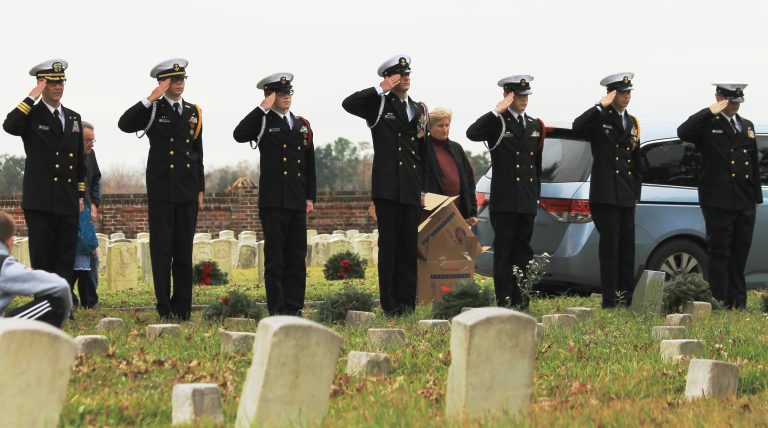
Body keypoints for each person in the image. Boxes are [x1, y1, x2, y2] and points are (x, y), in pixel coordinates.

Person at [117, 59, 205, 320]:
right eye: (173, 80)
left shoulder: (193, 111)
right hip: (162, 190)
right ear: (162, 82)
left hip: (187, 190)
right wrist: (149, 98)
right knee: (162, 251)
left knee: (183, 252)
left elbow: (197, 153)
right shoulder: (153, 108)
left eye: (182, 79)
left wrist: (200, 187)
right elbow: (124, 124)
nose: (179, 84)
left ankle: (183, 309)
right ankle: (164, 308)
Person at [342, 54, 428, 316]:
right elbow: (348, 104)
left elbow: (422, 152)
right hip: (388, 188)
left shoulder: (419, 109)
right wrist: (380, 89)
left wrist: (423, 188)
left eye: (407, 74)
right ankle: (390, 305)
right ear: (389, 78)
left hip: (411, 188)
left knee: (407, 249)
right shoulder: (378, 105)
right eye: (399, 75)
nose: (405, 78)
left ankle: (407, 304)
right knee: (389, 247)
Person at [233, 73, 316, 316]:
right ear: (270, 96)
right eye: (281, 93)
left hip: (297, 201)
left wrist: (310, 196)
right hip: (273, 202)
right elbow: (239, 134)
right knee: (276, 260)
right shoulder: (263, 122)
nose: (287, 97)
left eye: (289, 92)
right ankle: (277, 310)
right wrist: (261, 108)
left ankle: (295, 307)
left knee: (296, 258)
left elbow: (309, 165)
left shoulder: (302, 125)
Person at [677, 82, 762, 309]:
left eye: (737, 102)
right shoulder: (708, 125)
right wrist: (709, 111)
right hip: (718, 199)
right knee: (719, 252)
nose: (734, 106)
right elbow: (682, 132)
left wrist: (756, 199)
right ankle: (718, 300)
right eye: (730, 101)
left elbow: (753, 163)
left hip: (743, 199)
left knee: (740, 251)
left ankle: (739, 301)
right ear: (719, 98)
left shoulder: (746, 126)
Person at [2, 59, 86, 286]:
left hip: (67, 199)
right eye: (52, 83)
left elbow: (79, 161)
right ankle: (45, 303)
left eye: (61, 83)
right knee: (43, 256)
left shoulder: (73, 118)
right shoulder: (31, 115)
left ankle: (62, 303)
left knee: (65, 256)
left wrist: (80, 195)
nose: (58, 87)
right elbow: (9, 125)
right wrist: (32, 96)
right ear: (42, 85)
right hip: (40, 200)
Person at [466, 75, 544, 309]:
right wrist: (495, 112)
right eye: (518, 96)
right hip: (505, 201)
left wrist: (535, 196)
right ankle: (504, 300)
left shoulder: (534, 125)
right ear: (507, 96)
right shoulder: (497, 123)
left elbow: (536, 166)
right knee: (504, 253)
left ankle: (522, 300)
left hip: (526, 201)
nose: (523, 100)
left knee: (524, 253)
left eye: (525, 96)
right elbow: (472, 133)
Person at [572, 72, 642, 308]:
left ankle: (626, 297)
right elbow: (577, 126)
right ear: (611, 95)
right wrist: (597, 106)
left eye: (628, 93)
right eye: (621, 93)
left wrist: (636, 196)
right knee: (610, 248)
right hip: (605, 194)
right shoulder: (599, 117)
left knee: (627, 248)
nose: (626, 97)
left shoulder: (632, 122)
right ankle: (610, 299)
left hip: (625, 193)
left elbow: (636, 162)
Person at [0, 211, 72, 328]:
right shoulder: (4, 265)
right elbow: (61, 285)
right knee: (55, 305)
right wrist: (66, 315)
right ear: (10, 241)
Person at [425, 108, 477, 225]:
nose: (445, 129)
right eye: (440, 126)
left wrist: (472, 212)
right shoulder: (422, 149)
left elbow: (469, 182)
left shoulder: (456, 148)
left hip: (459, 213)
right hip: (433, 214)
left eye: (447, 125)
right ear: (430, 127)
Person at [69, 121, 101, 309]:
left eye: (92, 139)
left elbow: (95, 179)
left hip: (86, 210)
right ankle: (70, 300)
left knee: (90, 254)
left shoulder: (91, 155)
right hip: (68, 212)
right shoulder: (66, 155)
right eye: (87, 140)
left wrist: (95, 203)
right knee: (70, 256)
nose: (91, 144)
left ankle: (90, 301)